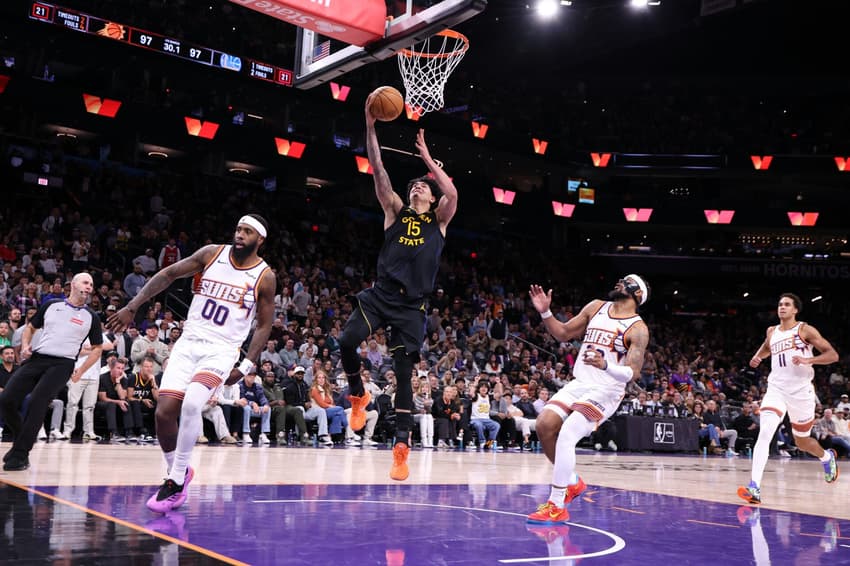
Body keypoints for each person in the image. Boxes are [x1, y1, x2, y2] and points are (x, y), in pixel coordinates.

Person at [107, 214, 275, 513]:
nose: (239, 234)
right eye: (238, 229)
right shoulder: (212, 253)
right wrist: (133, 306)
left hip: (221, 349)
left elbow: (264, 325)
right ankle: (180, 471)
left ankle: (173, 481)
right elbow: (169, 273)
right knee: (164, 413)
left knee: (192, 404)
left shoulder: (264, 276)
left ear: (260, 239)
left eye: (247, 231)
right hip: (188, 343)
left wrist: (246, 364)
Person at [337, 99, 458, 481]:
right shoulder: (394, 209)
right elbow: (377, 168)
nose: (419, 186)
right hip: (381, 295)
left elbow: (453, 194)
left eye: (424, 185)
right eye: (415, 185)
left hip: (412, 306)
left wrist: (428, 160)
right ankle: (358, 395)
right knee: (346, 341)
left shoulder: (439, 221)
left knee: (404, 374)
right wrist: (370, 125)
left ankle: (401, 448)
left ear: (432, 197)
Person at [526, 275, 650, 523]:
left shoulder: (638, 329)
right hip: (580, 382)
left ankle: (556, 505)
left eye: (627, 281)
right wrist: (546, 313)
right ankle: (572, 481)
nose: (620, 281)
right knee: (544, 425)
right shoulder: (596, 307)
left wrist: (606, 365)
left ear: (638, 294)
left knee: (568, 433)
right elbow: (563, 333)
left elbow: (632, 373)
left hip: (607, 390)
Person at [738, 293, 839, 505]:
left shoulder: (805, 330)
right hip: (776, 389)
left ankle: (826, 457)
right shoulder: (771, 331)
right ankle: (754, 487)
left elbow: (832, 355)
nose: (782, 307)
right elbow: (767, 347)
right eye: (780, 304)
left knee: (802, 442)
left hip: (801, 392)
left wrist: (810, 360)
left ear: (795, 310)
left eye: (786, 304)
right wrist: (758, 356)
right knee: (765, 432)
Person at [0, 273, 104, 471]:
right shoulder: (51, 305)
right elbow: (30, 327)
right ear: (73, 285)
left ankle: (21, 454)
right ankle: (21, 439)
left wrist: (81, 370)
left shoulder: (91, 316)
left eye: (91, 284)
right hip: (38, 358)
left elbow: (98, 348)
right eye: (85, 282)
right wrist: (25, 346)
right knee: (6, 400)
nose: (89, 287)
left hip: (63, 364)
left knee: (37, 401)